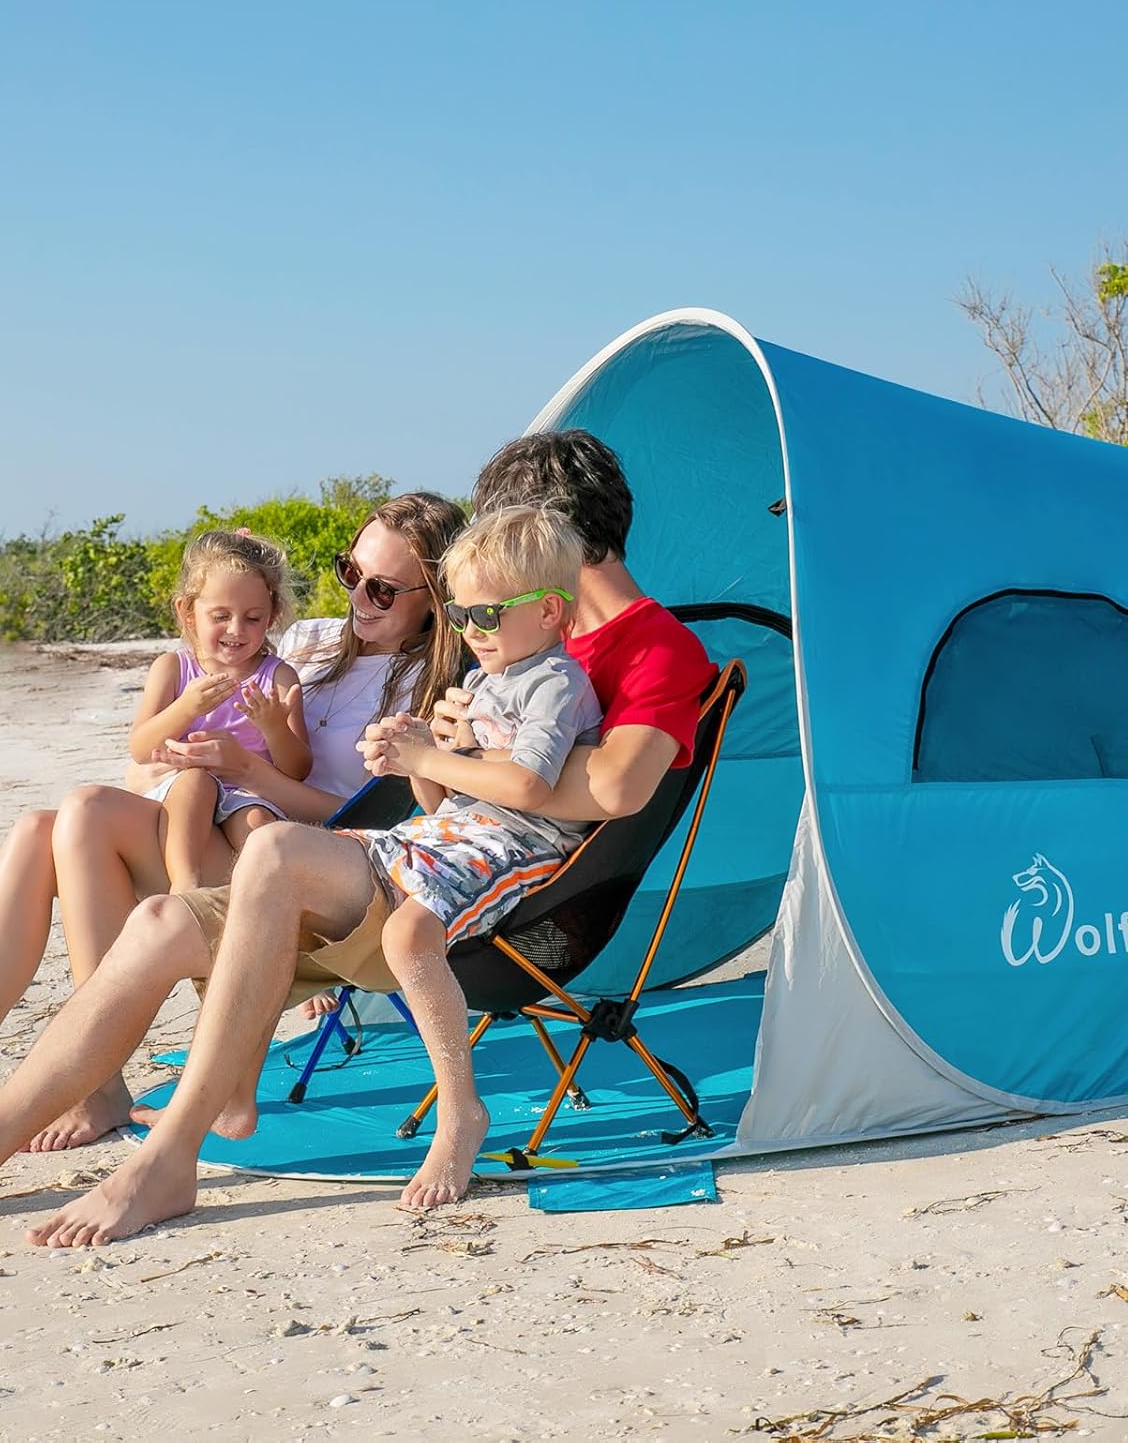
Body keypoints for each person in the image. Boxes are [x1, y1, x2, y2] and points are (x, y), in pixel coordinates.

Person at [2, 430, 713, 1247]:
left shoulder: (646, 646)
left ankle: (169, 1160)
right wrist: (443, 745)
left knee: (274, 850)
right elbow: (467, 781)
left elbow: (617, 788)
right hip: (417, 855)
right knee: (163, 920)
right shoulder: (513, 645)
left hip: (489, 908)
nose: (474, 613)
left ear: (552, 540)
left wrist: (458, 754)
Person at [0, 491, 467, 1152]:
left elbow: (371, 818)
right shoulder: (308, 641)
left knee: (82, 815)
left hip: (304, 858)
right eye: (350, 572)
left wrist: (245, 771)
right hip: (212, 821)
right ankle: (94, 1076)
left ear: (435, 594)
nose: (360, 597)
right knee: (40, 829)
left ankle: (98, 1082)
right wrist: (175, 769)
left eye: (384, 589)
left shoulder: (427, 684)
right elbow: (162, 738)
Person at [335, 504, 602, 1208]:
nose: (467, 630)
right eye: (458, 614)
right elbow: (439, 800)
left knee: (407, 934)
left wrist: (430, 756)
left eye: (485, 615)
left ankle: (461, 1114)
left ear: (548, 611)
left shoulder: (554, 683)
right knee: (314, 863)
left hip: (523, 844)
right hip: (461, 833)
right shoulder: (485, 679)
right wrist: (414, 754)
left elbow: (529, 786)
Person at [131, 529, 311, 895]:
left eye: (253, 618)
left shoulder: (278, 677)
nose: (236, 629)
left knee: (259, 824)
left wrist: (275, 728)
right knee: (195, 783)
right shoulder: (173, 669)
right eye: (220, 616)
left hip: (249, 792)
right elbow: (140, 748)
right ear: (188, 612)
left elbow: (298, 771)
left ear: (272, 616)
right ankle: (185, 887)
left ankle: (264, 900)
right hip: (181, 788)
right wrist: (186, 708)